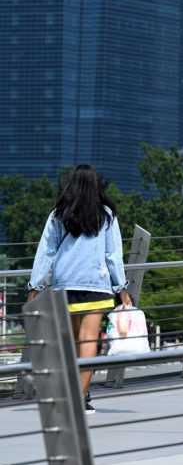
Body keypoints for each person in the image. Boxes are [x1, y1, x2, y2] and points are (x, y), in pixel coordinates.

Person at [27, 165, 131, 414]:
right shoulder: (106, 215)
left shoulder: (59, 214)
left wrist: (35, 285)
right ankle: (80, 396)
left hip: (65, 284)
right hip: (96, 284)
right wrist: (121, 287)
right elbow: (113, 255)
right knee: (89, 341)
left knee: (74, 342)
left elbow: (46, 251)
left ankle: (77, 392)